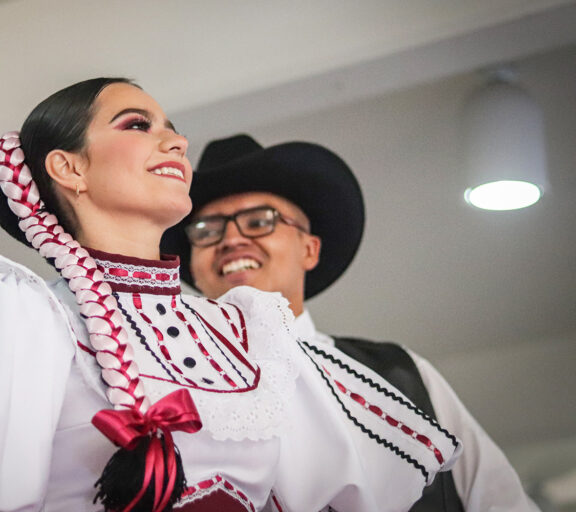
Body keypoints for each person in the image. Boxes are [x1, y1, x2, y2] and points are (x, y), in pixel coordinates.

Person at [0, 80, 460, 512]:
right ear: (69, 168)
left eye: (172, 128)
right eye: (137, 123)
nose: (175, 140)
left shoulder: (245, 333)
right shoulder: (23, 316)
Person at [161, 134, 538, 512]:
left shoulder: (401, 375)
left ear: (309, 249)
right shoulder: (166, 390)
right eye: (207, 230)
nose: (230, 239)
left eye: (260, 220)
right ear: (192, 263)